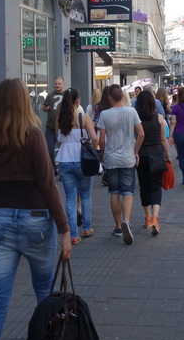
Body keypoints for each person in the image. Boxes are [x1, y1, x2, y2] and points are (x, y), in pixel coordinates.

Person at [0, 79, 71, 340]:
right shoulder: (33, 133)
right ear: (23, 102)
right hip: (36, 220)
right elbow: (48, 183)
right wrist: (65, 229)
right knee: (44, 295)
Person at [97, 84, 144, 244]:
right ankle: (127, 221)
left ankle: (118, 226)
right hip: (127, 158)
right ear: (122, 96)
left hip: (111, 158)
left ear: (110, 97)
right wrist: (135, 151)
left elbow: (101, 139)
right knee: (128, 192)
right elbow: (141, 133)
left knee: (114, 192)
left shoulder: (104, 114)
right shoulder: (132, 112)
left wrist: (102, 154)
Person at [55, 87, 98, 244]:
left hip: (65, 161)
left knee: (70, 198)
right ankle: (86, 228)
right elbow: (94, 139)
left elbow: (59, 141)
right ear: (78, 101)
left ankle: (73, 235)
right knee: (85, 194)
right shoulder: (84, 117)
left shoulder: (59, 119)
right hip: (83, 160)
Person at [135, 90, 171, 235]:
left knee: (144, 186)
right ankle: (156, 217)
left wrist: (134, 152)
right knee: (156, 187)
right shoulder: (160, 118)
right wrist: (167, 156)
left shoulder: (136, 119)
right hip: (157, 155)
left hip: (141, 155)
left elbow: (136, 136)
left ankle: (148, 216)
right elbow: (163, 140)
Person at [41, 76, 65, 159]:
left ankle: (62, 169)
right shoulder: (50, 95)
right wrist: (45, 108)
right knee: (49, 149)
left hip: (63, 128)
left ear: (63, 84)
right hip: (50, 128)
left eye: (59, 84)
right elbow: (44, 107)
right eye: (56, 84)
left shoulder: (67, 95)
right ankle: (52, 169)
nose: (57, 85)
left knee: (64, 150)